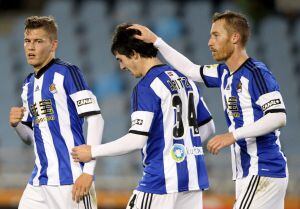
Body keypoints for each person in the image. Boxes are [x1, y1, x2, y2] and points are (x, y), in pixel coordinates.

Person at [129, 10, 288, 209]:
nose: (209, 42)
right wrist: (157, 41)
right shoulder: (224, 73)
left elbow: (278, 117)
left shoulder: (257, 74)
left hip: (263, 168)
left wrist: (233, 135)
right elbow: (190, 70)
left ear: (235, 37)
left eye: (216, 35)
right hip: (248, 173)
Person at [71, 23, 215, 209]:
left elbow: (136, 140)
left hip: (161, 181)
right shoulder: (186, 80)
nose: (122, 66)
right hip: (194, 179)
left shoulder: (146, 87)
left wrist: (92, 151)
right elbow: (208, 126)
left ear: (134, 54)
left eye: (121, 59)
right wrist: (179, 149)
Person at [9, 16, 103, 209]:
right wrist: (17, 124)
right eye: (27, 41)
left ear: (53, 45)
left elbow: (96, 119)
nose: (31, 47)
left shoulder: (67, 73)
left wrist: (88, 172)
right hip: (39, 181)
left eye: (38, 41)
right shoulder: (28, 84)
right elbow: (31, 138)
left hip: (72, 178)